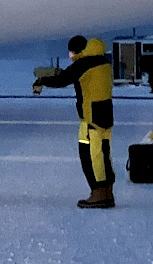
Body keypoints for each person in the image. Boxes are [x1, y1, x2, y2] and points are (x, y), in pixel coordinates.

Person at [34, 36, 116, 208]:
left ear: (77, 51)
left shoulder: (84, 64)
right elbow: (71, 74)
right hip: (106, 116)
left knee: (91, 156)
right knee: (104, 154)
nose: (70, 55)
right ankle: (107, 192)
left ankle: (98, 193)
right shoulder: (103, 61)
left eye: (71, 51)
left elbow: (63, 79)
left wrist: (42, 80)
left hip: (91, 118)